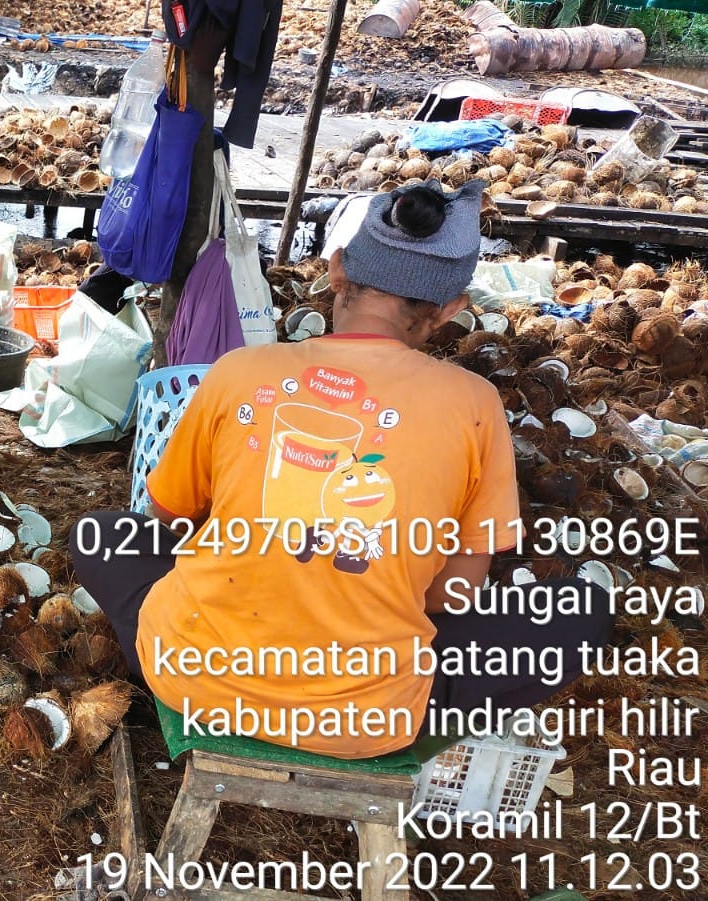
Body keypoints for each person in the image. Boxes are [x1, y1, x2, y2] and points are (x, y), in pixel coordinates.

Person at [71, 180, 613, 758]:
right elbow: (451, 594)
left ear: (334, 272)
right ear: (453, 310)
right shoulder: (475, 403)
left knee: (104, 533)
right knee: (582, 611)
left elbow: (165, 519)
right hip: (360, 717)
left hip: (194, 676)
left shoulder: (236, 371)